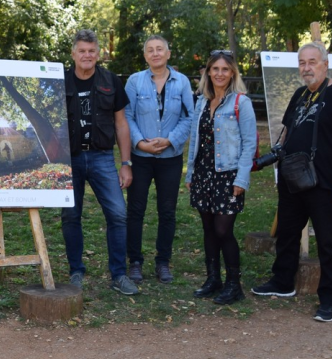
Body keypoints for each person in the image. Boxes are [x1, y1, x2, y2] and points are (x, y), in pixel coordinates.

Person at [252, 42, 332, 323]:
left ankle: (330, 299)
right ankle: (283, 282)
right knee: (287, 233)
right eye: (302, 63)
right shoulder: (300, 94)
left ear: (325, 64)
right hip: (293, 178)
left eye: (312, 62)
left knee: (328, 241)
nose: (306, 68)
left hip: (324, 182)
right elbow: (288, 131)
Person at [62, 29, 138, 296]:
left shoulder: (111, 81)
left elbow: (121, 124)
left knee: (118, 213)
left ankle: (119, 275)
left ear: (98, 54)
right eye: (82, 51)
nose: (87, 55)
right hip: (69, 158)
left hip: (102, 157)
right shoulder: (60, 81)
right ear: (73, 54)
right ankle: (76, 271)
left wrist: (126, 163)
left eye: (92, 51)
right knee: (71, 215)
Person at [184, 50, 257, 305]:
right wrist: (191, 172)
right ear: (208, 72)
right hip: (203, 173)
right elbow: (195, 140)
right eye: (215, 69)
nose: (220, 74)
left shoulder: (241, 103)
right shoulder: (202, 101)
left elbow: (250, 144)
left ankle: (234, 285)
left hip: (228, 174)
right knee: (208, 229)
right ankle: (213, 279)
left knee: (223, 229)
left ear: (233, 73)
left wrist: (242, 179)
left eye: (225, 69)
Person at [123, 35, 195, 284]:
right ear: (145, 56)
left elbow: (189, 117)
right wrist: (140, 143)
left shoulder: (182, 82)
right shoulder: (134, 81)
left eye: (159, 49)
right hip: (140, 157)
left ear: (168, 54)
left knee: (167, 211)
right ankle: (135, 262)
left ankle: (163, 262)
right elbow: (127, 116)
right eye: (150, 50)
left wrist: (170, 140)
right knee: (135, 210)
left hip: (170, 157)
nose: (155, 53)